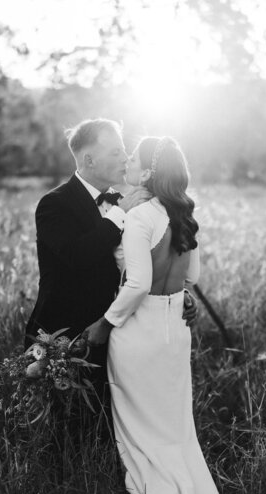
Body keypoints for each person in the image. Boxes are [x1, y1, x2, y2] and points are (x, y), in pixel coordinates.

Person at [85, 136, 239, 494]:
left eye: (134, 159)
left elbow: (135, 285)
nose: (128, 162)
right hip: (175, 331)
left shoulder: (139, 218)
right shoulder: (182, 214)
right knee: (176, 437)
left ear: (148, 173)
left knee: (143, 443)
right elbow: (190, 278)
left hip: (139, 334)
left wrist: (104, 325)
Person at [24, 119, 197, 447]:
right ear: (88, 160)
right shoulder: (54, 205)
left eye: (126, 152)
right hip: (66, 333)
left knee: (111, 432)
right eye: (117, 151)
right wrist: (119, 214)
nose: (125, 158)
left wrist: (176, 292)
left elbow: (146, 262)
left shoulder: (130, 198)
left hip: (117, 332)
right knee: (65, 437)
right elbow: (77, 256)